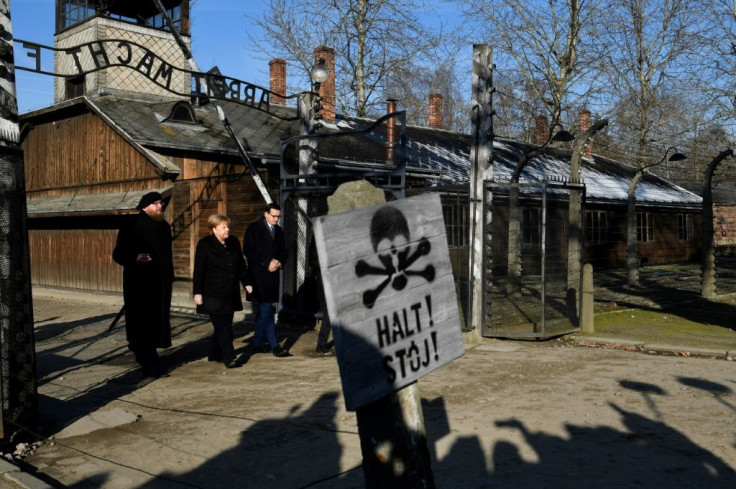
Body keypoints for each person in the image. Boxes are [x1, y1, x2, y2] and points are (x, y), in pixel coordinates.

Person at [113, 191, 174, 379]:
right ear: (145, 206)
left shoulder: (164, 226)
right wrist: (134, 258)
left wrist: (169, 277)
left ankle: (149, 358)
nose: (160, 207)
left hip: (161, 284)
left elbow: (167, 256)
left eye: (161, 203)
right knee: (142, 325)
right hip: (139, 285)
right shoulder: (131, 225)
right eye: (156, 203)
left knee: (156, 324)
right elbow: (118, 254)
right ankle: (150, 365)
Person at [193, 214, 252, 368]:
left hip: (230, 293)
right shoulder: (204, 244)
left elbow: (240, 265)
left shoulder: (233, 241)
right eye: (224, 227)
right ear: (214, 229)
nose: (228, 229)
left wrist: (246, 283)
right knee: (223, 326)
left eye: (228, 226)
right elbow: (198, 270)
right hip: (212, 294)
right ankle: (229, 357)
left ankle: (213, 353)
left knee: (224, 324)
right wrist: (197, 293)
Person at [243, 203, 290, 357]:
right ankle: (274, 345)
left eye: (278, 216)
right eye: (274, 216)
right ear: (266, 214)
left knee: (264, 310)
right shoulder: (253, 228)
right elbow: (248, 250)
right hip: (258, 275)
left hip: (273, 274)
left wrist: (278, 262)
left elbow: (284, 251)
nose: (276, 219)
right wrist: (266, 262)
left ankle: (257, 342)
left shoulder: (280, 231)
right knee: (267, 309)